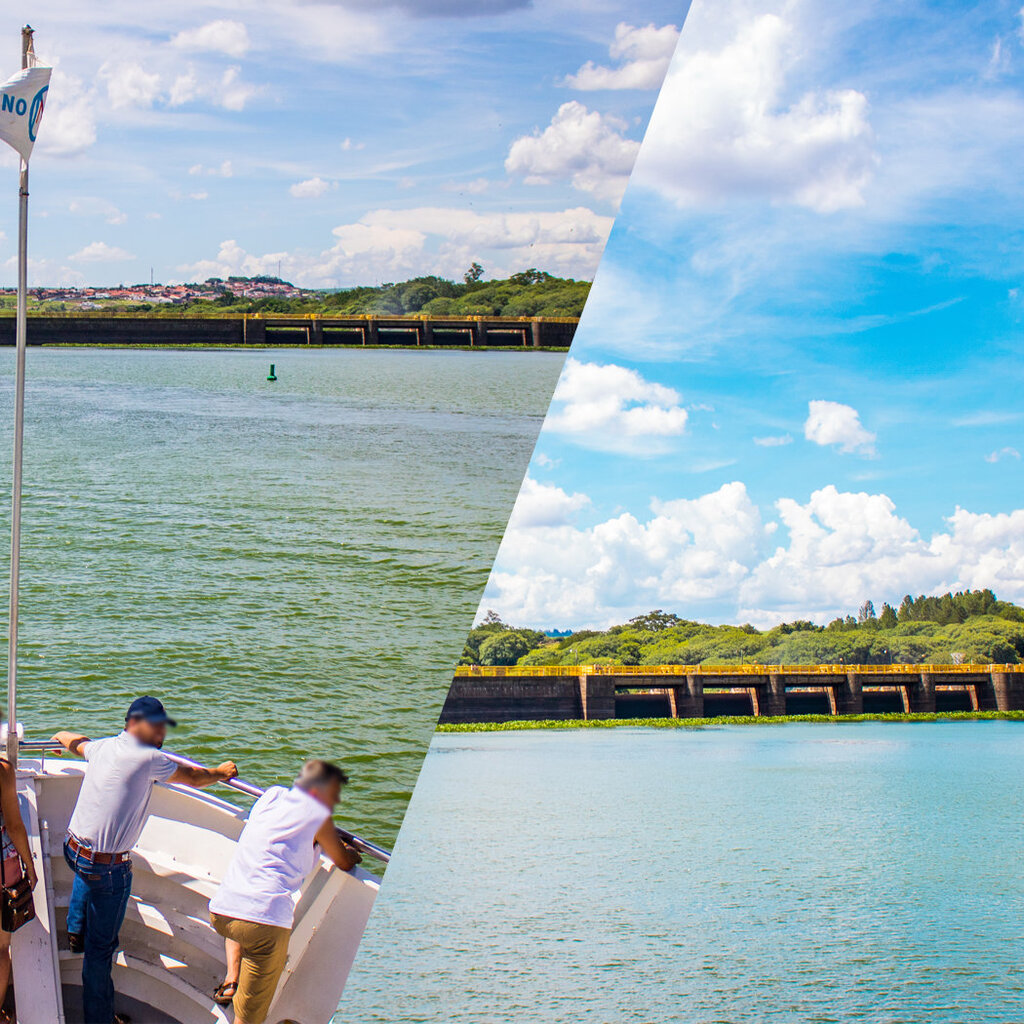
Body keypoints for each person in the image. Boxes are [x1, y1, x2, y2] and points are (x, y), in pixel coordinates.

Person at [53, 696, 238, 1024]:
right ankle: (100, 1019)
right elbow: (194, 777)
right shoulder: (149, 759)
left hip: (72, 848)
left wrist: (60, 735)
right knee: (100, 952)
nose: (162, 736)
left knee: (87, 871)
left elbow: (73, 742)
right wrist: (222, 772)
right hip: (105, 868)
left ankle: (75, 930)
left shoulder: (101, 747)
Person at [209, 759, 361, 1024]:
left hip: (222, 911)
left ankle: (232, 979)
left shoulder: (271, 796)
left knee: (245, 910)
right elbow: (343, 861)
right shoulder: (317, 816)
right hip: (263, 925)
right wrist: (351, 852)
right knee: (248, 1019)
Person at [0, 716, 38, 1024]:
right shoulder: (3, 771)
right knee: (0, 948)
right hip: (3, 869)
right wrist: (30, 865)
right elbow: (14, 825)